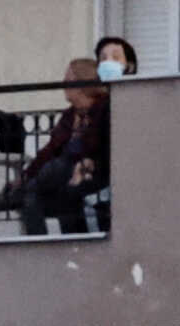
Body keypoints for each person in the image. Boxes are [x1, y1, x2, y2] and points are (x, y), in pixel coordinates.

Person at [16, 58, 110, 235]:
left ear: (84, 82)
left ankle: (6, 198)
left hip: (90, 172)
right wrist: (27, 174)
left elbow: (101, 148)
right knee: (30, 198)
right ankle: (39, 247)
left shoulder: (104, 109)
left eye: (68, 79)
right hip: (61, 176)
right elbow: (49, 149)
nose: (63, 84)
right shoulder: (69, 115)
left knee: (56, 169)